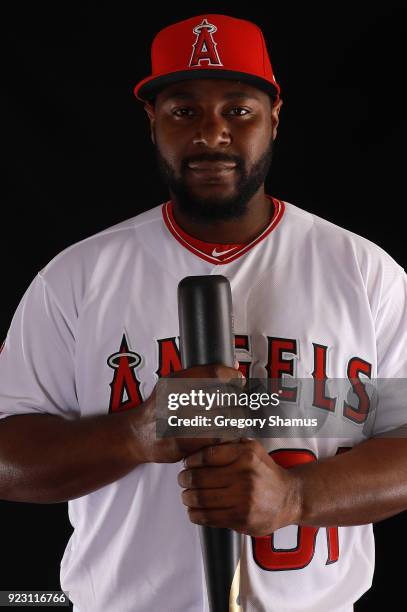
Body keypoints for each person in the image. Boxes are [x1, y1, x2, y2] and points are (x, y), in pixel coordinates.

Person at [0, 12, 407, 612]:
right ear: (153, 122)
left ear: (274, 117)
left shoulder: (364, 271)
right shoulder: (77, 278)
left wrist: (294, 497)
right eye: (183, 110)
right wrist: (136, 433)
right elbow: (8, 457)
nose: (211, 133)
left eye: (238, 110)